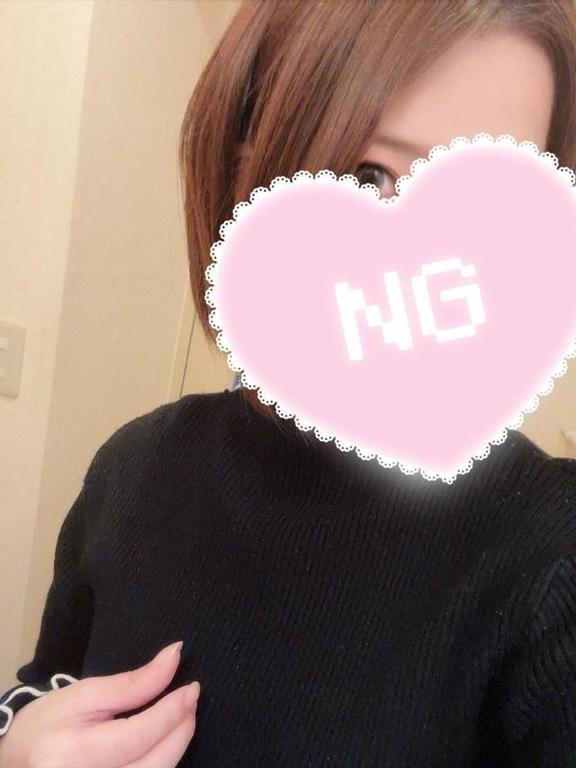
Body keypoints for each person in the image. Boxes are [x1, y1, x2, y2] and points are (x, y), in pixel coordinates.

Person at [1, 0, 576, 766]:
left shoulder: (548, 556)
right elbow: (48, 689)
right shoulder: (133, 468)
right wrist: (16, 743)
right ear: (247, 161)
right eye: (370, 175)